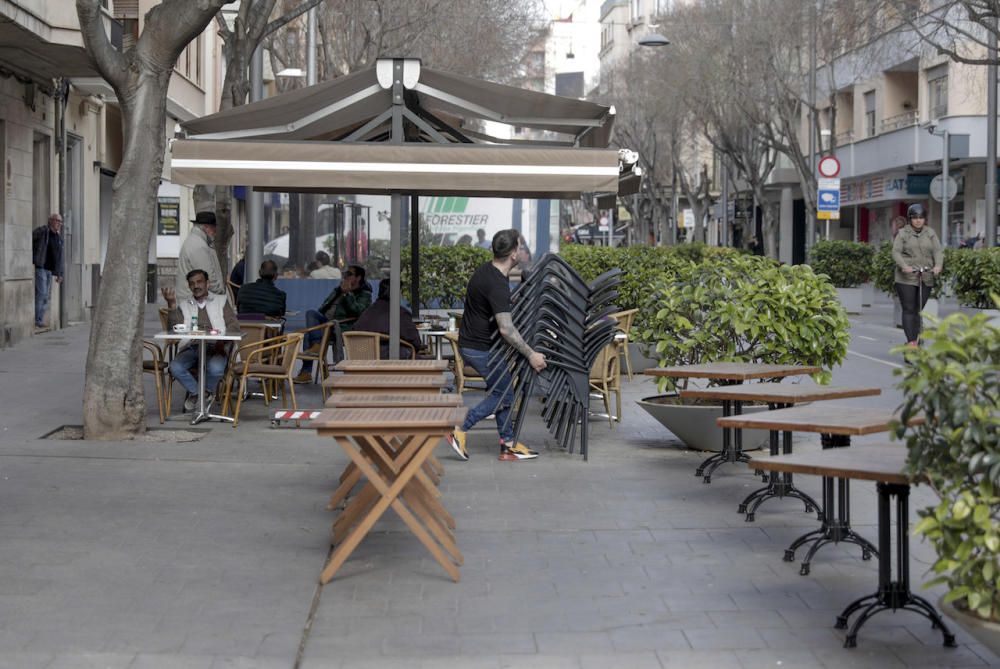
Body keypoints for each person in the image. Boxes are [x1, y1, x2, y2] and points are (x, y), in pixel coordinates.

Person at [448, 229, 547, 462]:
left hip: (476, 344)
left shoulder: (486, 271)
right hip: (480, 348)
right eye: (520, 247)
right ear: (513, 253)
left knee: (504, 391)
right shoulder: (497, 284)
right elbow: (506, 329)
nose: (522, 251)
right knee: (504, 395)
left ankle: (508, 445)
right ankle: (460, 428)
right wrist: (532, 354)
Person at [162, 270, 240, 413]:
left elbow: (233, 326)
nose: (196, 286)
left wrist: (221, 342)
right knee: (175, 367)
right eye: (192, 284)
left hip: (217, 346)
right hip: (193, 346)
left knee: (216, 369)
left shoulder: (221, 301)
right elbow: (173, 330)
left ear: (207, 284)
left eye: (199, 282)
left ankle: (202, 394)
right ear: (189, 287)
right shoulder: (185, 304)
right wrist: (172, 304)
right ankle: (201, 394)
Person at [295, 264, 372, 382]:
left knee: (308, 335)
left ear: (358, 278)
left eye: (349, 274)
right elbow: (322, 308)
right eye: (345, 274)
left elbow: (358, 312)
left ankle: (306, 371)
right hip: (326, 323)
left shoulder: (364, 294)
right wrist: (338, 293)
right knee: (311, 313)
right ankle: (316, 346)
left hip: (341, 326)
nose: (345, 276)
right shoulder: (338, 289)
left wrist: (347, 294)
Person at [892, 203, 943, 348]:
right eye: (915, 218)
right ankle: (911, 342)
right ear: (910, 219)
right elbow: (896, 252)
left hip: (925, 275)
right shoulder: (903, 233)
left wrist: (938, 266)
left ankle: (917, 337)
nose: (918, 220)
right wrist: (904, 266)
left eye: (921, 217)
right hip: (906, 278)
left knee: (918, 309)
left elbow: (937, 251)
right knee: (909, 308)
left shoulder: (930, 233)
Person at [352, 279, 423, 359]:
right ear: (397, 293)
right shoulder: (400, 313)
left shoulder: (367, 312)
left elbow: (355, 331)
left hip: (363, 358)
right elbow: (416, 342)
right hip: (391, 361)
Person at [176, 212, 224, 302]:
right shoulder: (198, 245)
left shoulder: (195, 241)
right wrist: (220, 294)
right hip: (194, 301)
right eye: (214, 228)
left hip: (193, 299)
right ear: (206, 227)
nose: (215, 232)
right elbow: (208, 277)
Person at [32, 213, 64, 329]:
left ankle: (39, 318)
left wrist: (60, 273)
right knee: (42, 293)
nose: (59, 224)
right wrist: (34, 255)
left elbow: (60, 257)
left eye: (60, 222)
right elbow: (30, 238)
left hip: (50, 270)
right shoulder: (43, 232)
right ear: (50, 221)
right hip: (41, 267)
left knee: (46, 296)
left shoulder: (58, 238)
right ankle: (37, 320)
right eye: (57, 221)